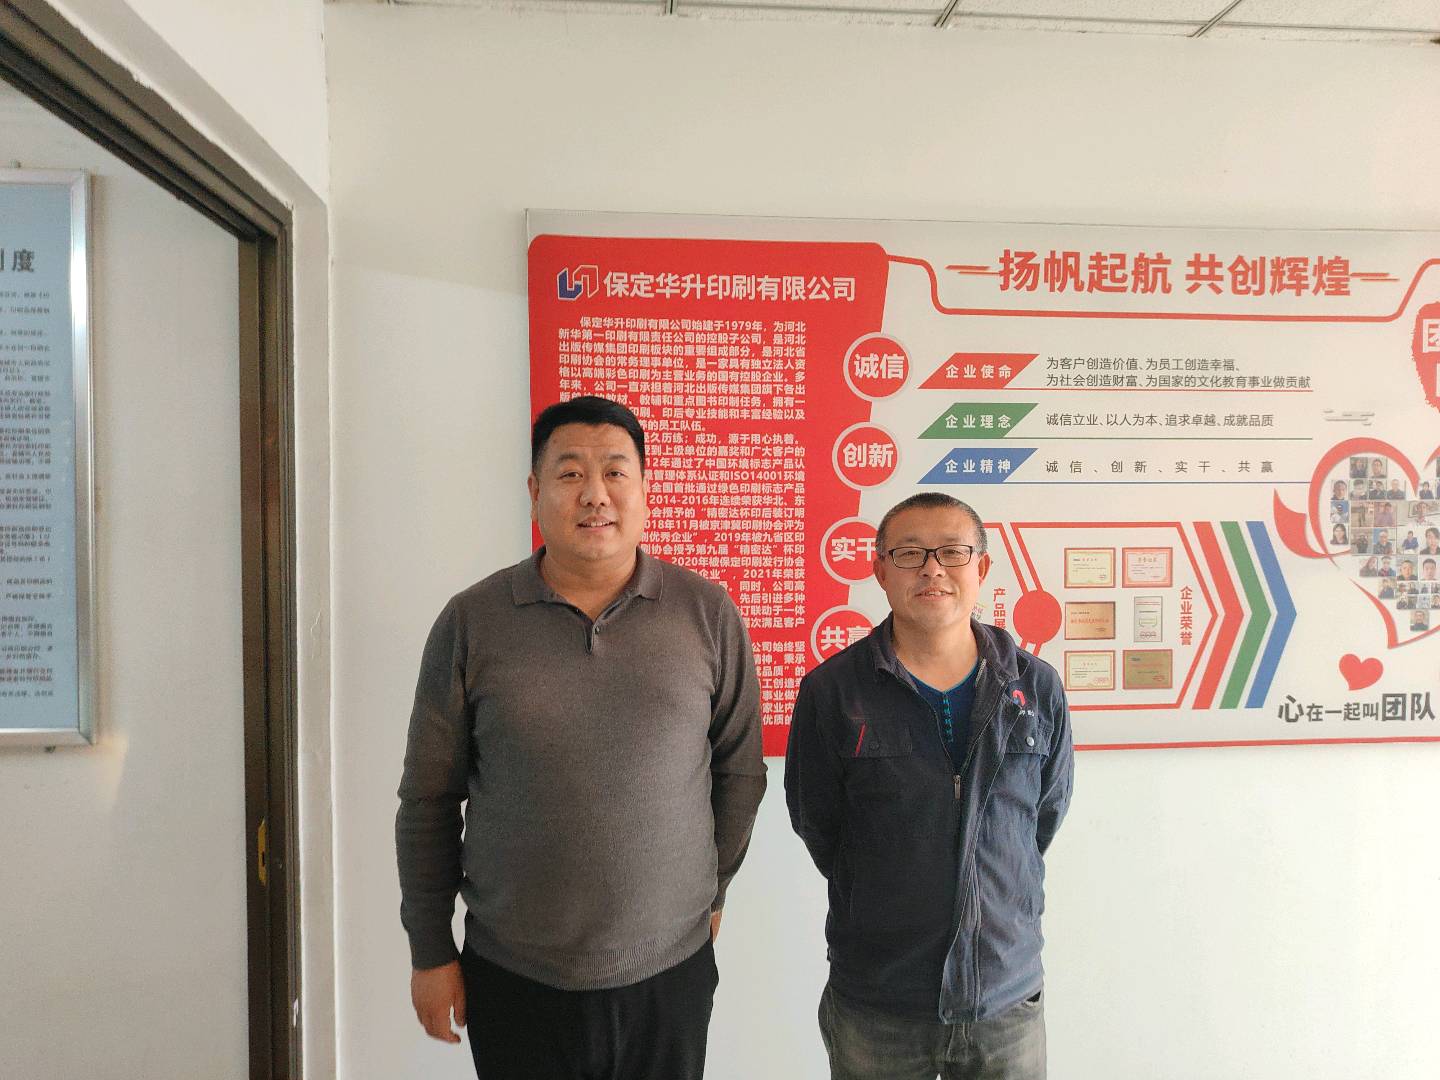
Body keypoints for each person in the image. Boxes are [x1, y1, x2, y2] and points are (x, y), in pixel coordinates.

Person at [396, 396, 766, 1080]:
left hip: (669, 972)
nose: (595, 494)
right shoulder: (472, 621)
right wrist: (429, 950)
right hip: (514, 973)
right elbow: (428, 799)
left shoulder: (706, 613)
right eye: (570, 474)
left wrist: (711, 891)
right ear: (535, 491)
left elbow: (740, 772)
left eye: (615, 472)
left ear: (644, 489)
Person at [785, 492, 1073, 1080]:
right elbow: (818, 822)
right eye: (910, 553)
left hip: (1004, 990)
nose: (932, 569)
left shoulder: (1036, 687)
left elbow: (1044, 814)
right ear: (879, 570)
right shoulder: (834, 692)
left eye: (952, 552)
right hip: (878, 996)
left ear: (981, 567)